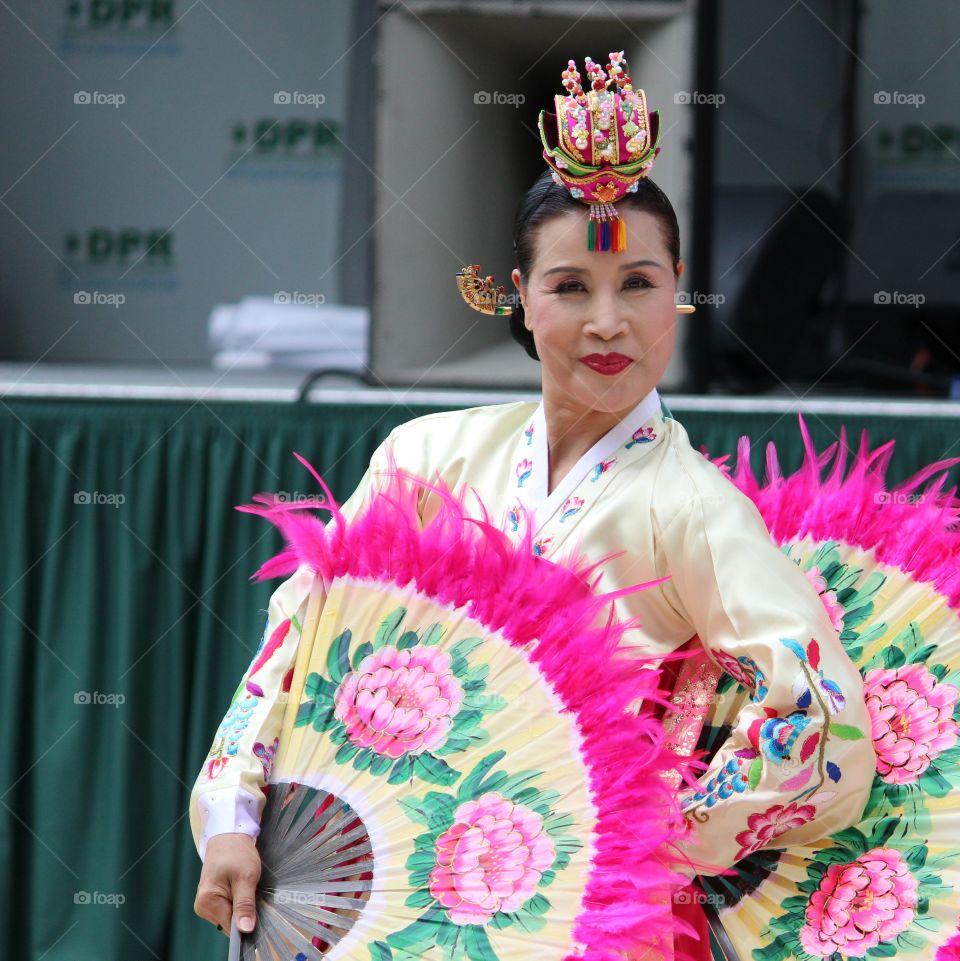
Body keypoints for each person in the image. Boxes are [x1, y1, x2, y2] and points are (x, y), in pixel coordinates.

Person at [191, 53, 878, 958]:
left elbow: (826, 725)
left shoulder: (695, 510)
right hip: (406, 898)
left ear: (680, 292)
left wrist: (644, 832)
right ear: (517, 297)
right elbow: (301, 639)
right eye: (569, 286)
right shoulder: (425, 455)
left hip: (592, 923)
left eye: (638, 282)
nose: (607, 322)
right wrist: (236, 814)